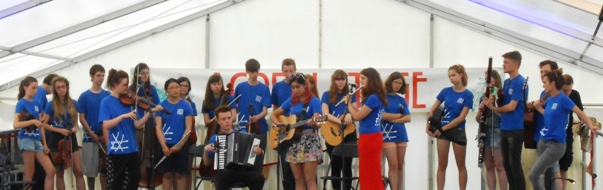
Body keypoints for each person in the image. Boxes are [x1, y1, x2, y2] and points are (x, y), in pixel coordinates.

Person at [529, 69, 598, 190]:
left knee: (534, 175)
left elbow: (579, 113)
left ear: (552, 83)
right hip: (543, 140)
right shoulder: (550, 99)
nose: (543, 85)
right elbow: (549, 117)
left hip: (556, 144)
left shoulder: (564, 99)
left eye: (545, 82)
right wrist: (539, 109)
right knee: (548, 178)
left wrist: (590, 125)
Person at [99, 69, 161, 189]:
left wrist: (149, 113)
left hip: (132, 147)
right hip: (118, 148)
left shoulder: (129, 102)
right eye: (124, 85)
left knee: (135, 178)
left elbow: (137, 125)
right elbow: (106, 124)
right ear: (115, 85)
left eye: (127, 84)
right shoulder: (106, 102)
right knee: (117, 181)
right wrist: (123, 116)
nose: (127, 88)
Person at [270, 73, 323, 190]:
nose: (295, 90)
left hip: (309, 142)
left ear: (305, 86)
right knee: (298, 180)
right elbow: (274, 114)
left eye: (298, 87)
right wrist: (280, 125)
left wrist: (314, 122)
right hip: (293, 142)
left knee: (310, 180)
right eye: (293, 87)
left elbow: (318, 121)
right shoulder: (291, 100)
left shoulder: (314, 101)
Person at [485, 51, 528, 190]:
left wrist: (494, 109)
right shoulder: (507, 82)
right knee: (507, 164)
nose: (503, 65)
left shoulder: (520, 82)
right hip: (504, 127)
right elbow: (502, 100)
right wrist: (493, 98)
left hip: (515, 128)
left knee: (514, 162)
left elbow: (511, 106)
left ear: (515, 64)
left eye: (506, 62)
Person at [426, 64, 473, 190]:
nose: (451, 78)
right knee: (442, 164)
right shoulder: (446, 91)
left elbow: (461, 117)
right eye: (449, 76)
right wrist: (428, 124)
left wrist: (442, 129)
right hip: (442, 131)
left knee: (461, 165)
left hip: (457, 130)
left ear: (461, 75)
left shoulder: (468, 95)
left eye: (453, 75)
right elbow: (433, 109)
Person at [203, 106, 265, 190]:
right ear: (217, 121)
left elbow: (260, 153)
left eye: (229, 118)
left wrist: (260, 151)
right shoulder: (215, 138)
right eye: (223, 119)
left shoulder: (243, 133)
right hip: (227, 172)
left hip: (244, 170)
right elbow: (207, 163)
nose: (227, 121)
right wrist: (206, 150)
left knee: (259, 178)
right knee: (222, 176)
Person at [41, 76, 85, 190]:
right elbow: (44, 124)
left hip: (71, 137)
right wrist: (59, 130)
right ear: (55, 90)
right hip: (56, 139)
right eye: (58, 87)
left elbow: (76, 121)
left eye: (63, 87)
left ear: (67, 88)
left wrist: (75, 128)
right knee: (59, 172)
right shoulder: (51, 105)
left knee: (79, 171)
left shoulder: (73, 103)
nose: (61, 89)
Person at [346, 68, 386, 190]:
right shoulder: (372, 96)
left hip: (371, 138)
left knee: (371, 172)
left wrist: (348, 103)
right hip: (368, 136)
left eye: (363, 78)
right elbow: (360, 113)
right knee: (365, 171)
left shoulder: (374, 97)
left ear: (371, 79)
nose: (361, 81)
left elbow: (357, 116)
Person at [13, 76, 56, 190]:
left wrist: (45, 144)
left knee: (51, 170)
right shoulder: (21, 103)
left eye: (37, 88)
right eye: (33, 88)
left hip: (37, 139)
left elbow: (40, 125)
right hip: (26, 138)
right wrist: (31, 121)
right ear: (25, 88)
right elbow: (15, 124)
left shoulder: (37, 104)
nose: (36, 91)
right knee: (30, 171)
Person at [321, 70, 358, 190]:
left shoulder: (352, 95)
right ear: (333, 80)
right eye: (338, 79)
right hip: (334, 132)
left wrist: (350, 115)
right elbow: (325, 114)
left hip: (349, 133)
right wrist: (340, 122)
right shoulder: (327, 95)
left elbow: (356, 110)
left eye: (343, 79)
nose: (340, 82)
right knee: (335, 166)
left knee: (347, 166)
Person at [155, 78, 193, 190]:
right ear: (166, 91)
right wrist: (163, 146)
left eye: (177, 87)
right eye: (172, 88)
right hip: (165, 144)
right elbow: (158, 127)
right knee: (166, 174)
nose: (175, 90)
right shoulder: (161, 106)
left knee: (179, 174)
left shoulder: (186, 105)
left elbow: (188, 128)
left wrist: (180, 145)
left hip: (181, 144)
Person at [234, 59, 270, 173]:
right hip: (243, 128)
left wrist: (257, 117)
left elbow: (265, 111)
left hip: (260, 128)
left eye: (257, 71)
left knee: (258, 160)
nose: (255, 74)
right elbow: (235, 106)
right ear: (247, 71)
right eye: (252, 72)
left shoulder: (264, 89)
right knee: (242, 161)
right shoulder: (240, 87)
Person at [527, 60, 558, 190]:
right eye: (541, 72)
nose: (542, 74)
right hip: (541, 137)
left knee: (549, 175)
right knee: (544, 174)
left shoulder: (556, 95)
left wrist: (539, 108)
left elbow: (554, 118)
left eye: (546, 72)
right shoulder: (544, 93)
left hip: (552, 139)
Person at [78, 64, 110, 190]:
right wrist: (91, 133)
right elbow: (81, 117)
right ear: (92, 77)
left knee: (105, 170)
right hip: (89, 137)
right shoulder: (84, 96)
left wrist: (104, 134)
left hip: (104, 136)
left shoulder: (107, 95)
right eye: (98, 75)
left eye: (103, 75)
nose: (101, 78)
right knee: (90, 171)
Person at [476, 70, 507, 190]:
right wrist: (480, 111)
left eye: (489, 79)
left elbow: (505, 117)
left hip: (498, 130)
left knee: (500, 166)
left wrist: (492, 107)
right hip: (485, 131)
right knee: (489, 166)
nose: (487, 82)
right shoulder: (483, 97)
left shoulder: (501, 95)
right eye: (485, 79)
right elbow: (478, 119)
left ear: (496, 79)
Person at [381, 72, 411, 190]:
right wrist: (399, 115)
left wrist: (394, 119)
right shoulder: (382, 97)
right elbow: (384, 116)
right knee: (392, 164)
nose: (397, 85)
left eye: (400, 83)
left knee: (400, 165)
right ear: (390, 82)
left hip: (401, 134)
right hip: (387, 134)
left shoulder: (401, 99)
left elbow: (408, 117)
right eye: (395, 82)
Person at [270, 58, 297, 189]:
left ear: (295, 71)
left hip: (297, 131)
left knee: (298, 172)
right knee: (285, 170)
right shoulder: (277, 87)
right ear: (282, 71)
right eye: (286, 71)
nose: (288, 73)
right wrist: (278, 125)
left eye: (291, 70)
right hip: (283, 132)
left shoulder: (299, 86)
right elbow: (275, 109)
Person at [558, 74, 583, 190]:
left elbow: (580, 113)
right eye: (564, 90)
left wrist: (590, 123)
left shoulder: (575, 94)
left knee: (564, 165)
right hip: (554, 134)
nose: (567, 93)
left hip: (567, 134)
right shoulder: (553, 95)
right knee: (553, 166)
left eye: (569, 90)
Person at [177, 76, 198, 190]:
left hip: (190, 138)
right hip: (176, 138)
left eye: (186, 86)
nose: (184, 88)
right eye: (182, 85)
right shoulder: (172, 102)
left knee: (187, 170)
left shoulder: (191, 104)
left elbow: (191, 121)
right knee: (177, 172)